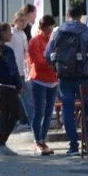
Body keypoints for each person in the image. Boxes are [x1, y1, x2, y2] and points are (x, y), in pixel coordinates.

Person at [44, 5, 88, 156]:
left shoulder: (57, 32)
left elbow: (47, 54)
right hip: (83, 77)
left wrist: (57, 66)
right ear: (81, 16)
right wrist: (86, 64)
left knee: (67, 110)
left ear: (67, 15)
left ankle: (73, 145)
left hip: (64, 77)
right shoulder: (85, 32)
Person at [27, 15, 58, 156]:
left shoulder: (54, 40)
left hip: (53, 81)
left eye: (51, 28)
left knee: (48, 113)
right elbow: (38, 62)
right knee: (39, 112)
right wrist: (53, 63)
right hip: (39, 80)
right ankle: (37, 141)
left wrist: (54, 64)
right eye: (47, 28)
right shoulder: (34, 41)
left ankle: (43, 140)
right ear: (41, 27)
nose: (49, 31)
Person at [0, 23, 22, 156]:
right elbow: (12, 69)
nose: (11, 34)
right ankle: (1, 144)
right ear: (3, 33)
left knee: (4, 114)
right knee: (16, 113)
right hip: (7, 86)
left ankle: (1, 145)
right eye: (9, 31)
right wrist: (18, 84)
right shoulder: (7, 50)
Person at [10, 10, 33, 127]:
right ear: (15, 21)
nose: (23, 22)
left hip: (23, 69)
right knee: (20, 96)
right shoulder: (11, 33)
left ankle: (26, 119)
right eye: (21, 20)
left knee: (25, 96)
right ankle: (25, 119)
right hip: (15, 70)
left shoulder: (23, 34)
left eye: (25, 20)